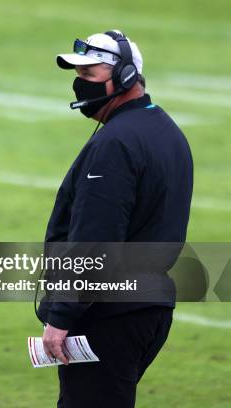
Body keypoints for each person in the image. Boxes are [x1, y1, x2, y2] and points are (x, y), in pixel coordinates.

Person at [36, 30, 193, 407]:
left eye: (90, 75)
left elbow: (96, 239)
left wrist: (61, 315)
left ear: (124, 78)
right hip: (148, 308)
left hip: (109, 313)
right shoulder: (165, 131)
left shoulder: (115, 144)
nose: (79, 85)